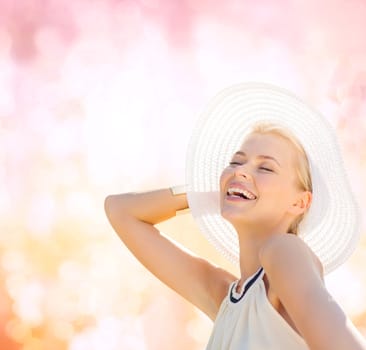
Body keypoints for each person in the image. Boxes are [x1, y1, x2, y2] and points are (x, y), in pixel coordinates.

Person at [104, 82, 366, 349]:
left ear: (300, 202)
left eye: (266, 168)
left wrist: (235, 187)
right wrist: (210, 194)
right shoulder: (225, 297)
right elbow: (120, 211)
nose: (241, 171)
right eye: (236, 162)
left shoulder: (285, 250)